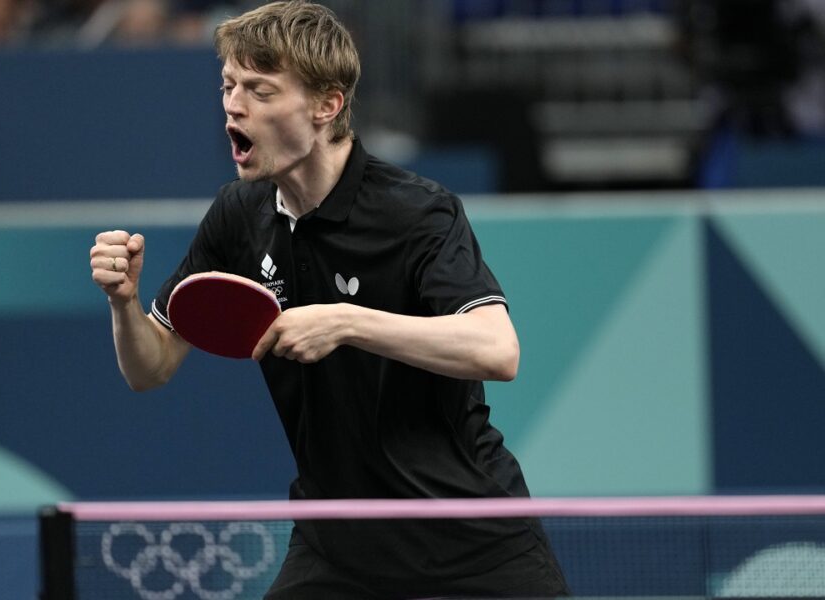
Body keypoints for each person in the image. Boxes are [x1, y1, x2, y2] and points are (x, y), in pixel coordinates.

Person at [90, 1, 569, 597]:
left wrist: (347, 322)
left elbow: (498, 351)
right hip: (337, 543)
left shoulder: (416, 211)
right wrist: (123, 303)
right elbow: (150, 368)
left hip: (470, 538)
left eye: (261, 91)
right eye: (229, 85)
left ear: (326, 106)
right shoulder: (239, 216)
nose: (233, 105)